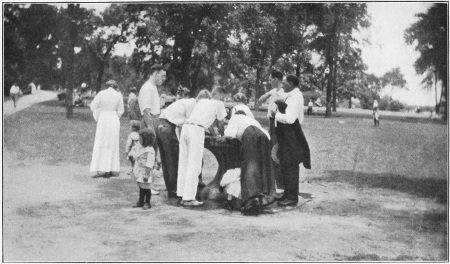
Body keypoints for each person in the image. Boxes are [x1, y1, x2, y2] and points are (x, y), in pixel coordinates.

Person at [217, 111, 276, 215]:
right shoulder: (252, 120)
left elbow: (230, 133)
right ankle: (266, 196)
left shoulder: (235, 117)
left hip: (250, 135)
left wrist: (224, 137)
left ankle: (251, 200)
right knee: (264, 166)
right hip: (264, 137)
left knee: (249, 165)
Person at [177, 86, 227, 207]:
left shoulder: (202, 101)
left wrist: (213, 132)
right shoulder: (219, 103)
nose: (224, 99)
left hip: (186, 128)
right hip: (196, 131)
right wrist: (222, 134)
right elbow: (221, 122)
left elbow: (208, 121)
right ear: (220, 95)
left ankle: (182, 194)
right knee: (194, 164)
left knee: (184, 162)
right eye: (223, 97)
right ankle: (188, 198)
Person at [157, 90, 211, 198]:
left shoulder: (186, 102)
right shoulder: (192, 105)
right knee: (174, 160)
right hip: (167, 128)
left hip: (161, 125)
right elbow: (192, 125)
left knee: (166, 161)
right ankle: (175, 191)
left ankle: (171, 190)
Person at [270, 75, 311, 207]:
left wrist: (275, 114)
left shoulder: (295, 98)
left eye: (285, 83)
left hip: (291, 135)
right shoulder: (291, 96)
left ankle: (292, 198)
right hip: (287, 134)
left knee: (291, 165)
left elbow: (290, 119)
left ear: (292, 84)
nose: (282, 85)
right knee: (286, 165)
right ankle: (288, 194)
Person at [257, 70, 285, 198]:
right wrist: (269, 93)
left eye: (271, 79)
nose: (269, 81)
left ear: (276, 79)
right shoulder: (274, 91)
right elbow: (261, 100)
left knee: (276, 152)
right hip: (271, 123)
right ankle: (275, 182)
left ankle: (281, 185)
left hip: (279, 123)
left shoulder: (284, 92)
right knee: (272, 151)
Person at [90, 80, 124, 178]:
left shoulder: (101, 94)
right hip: (113, 118)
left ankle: (100, 168)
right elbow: (121, 110)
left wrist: (99, 112)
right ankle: (110, 168)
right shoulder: (118, 95)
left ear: (107, 86)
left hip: (103, 118)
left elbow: (93, 106)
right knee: (112, 142)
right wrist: (115, 116)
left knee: (101, 141)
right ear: (115, 86)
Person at [138, 64, 166, 168]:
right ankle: (143, 179)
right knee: (147, 153)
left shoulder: (153, 87)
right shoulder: (146, 88)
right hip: (149, 123)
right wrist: (151, 129)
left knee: (152, 153)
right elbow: (146, 111)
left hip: (155, 120)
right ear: (155, 74)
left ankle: (149, 177)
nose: (164, 79)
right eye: (162, 75)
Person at [129, 128, 156, 210]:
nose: (139, 140)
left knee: (147, 188)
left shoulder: (150, 150)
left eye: (140, 139)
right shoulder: (142, 147)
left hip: (146, 172)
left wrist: (147, 175)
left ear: (146, 139)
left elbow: (149, 164)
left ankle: (147, 202)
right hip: (140, 171)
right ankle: (141, 201)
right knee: (141, 187)